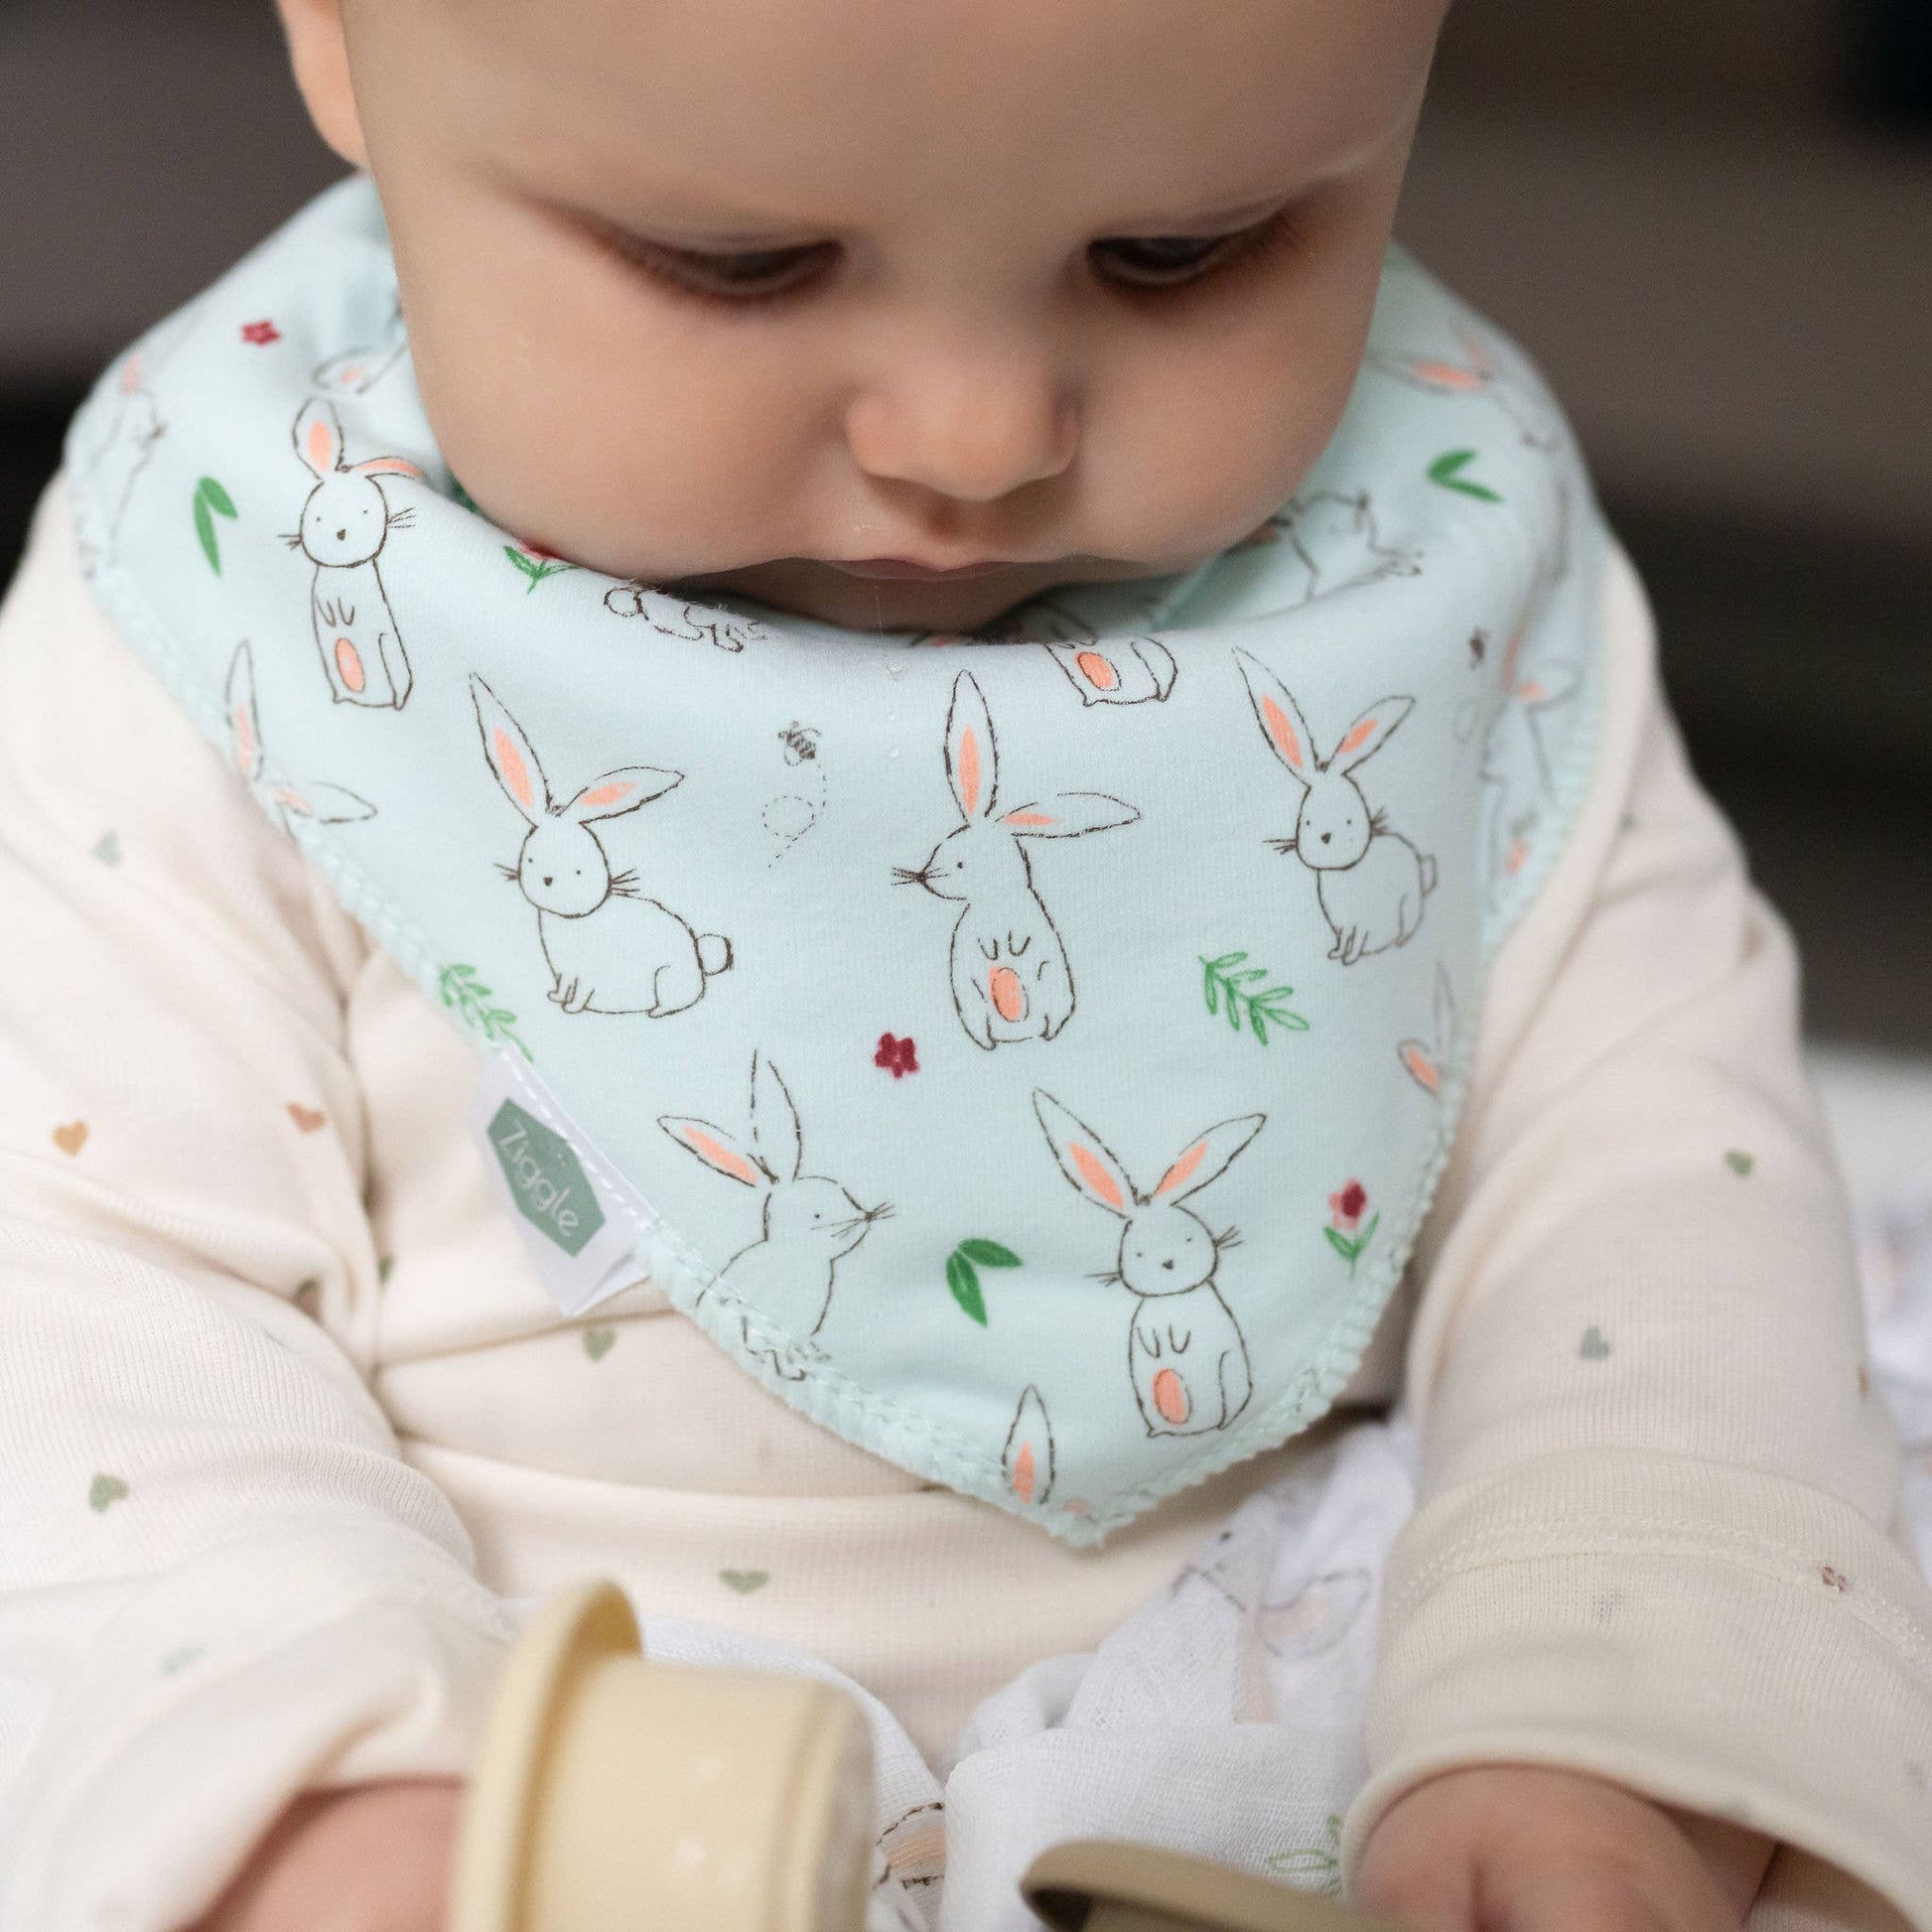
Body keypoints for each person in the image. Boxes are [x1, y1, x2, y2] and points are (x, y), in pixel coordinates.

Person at [1, 1, 1927, 1928]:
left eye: (1184, 250)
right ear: (338, 39)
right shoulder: (236, 574)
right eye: (740, 261)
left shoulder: (1426, 553)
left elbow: (1650, 1159)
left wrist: (1597, 1711)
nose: (977, 436)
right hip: (532, 1760)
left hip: (1341, 1721)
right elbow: (91, 1287)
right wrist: (313, 1783)